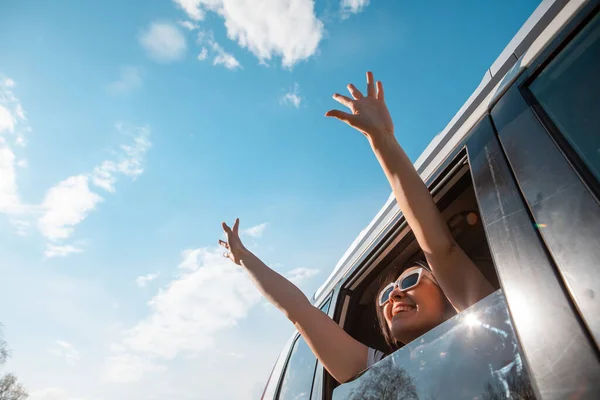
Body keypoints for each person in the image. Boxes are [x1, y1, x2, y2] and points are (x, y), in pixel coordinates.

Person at [218, 72, 495, 384]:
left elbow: (437, 243)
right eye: (387, 294)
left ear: (446, 292)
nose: (394, 296)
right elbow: (299, 311)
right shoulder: (382, 373)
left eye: (411, 280)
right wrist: (244, 260)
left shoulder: (489, 322)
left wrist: (381, 141)